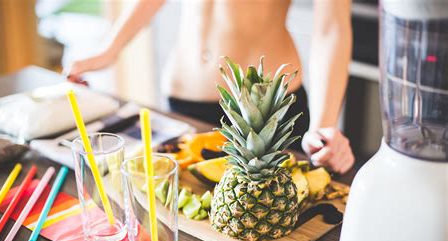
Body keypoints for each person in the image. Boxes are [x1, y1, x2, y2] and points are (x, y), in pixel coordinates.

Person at [66, 0, 355, 174]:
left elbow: (332, 28)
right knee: (183, 230)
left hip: (266, 114)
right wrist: (109, 50)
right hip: (183, 104)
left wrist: (323, 124)